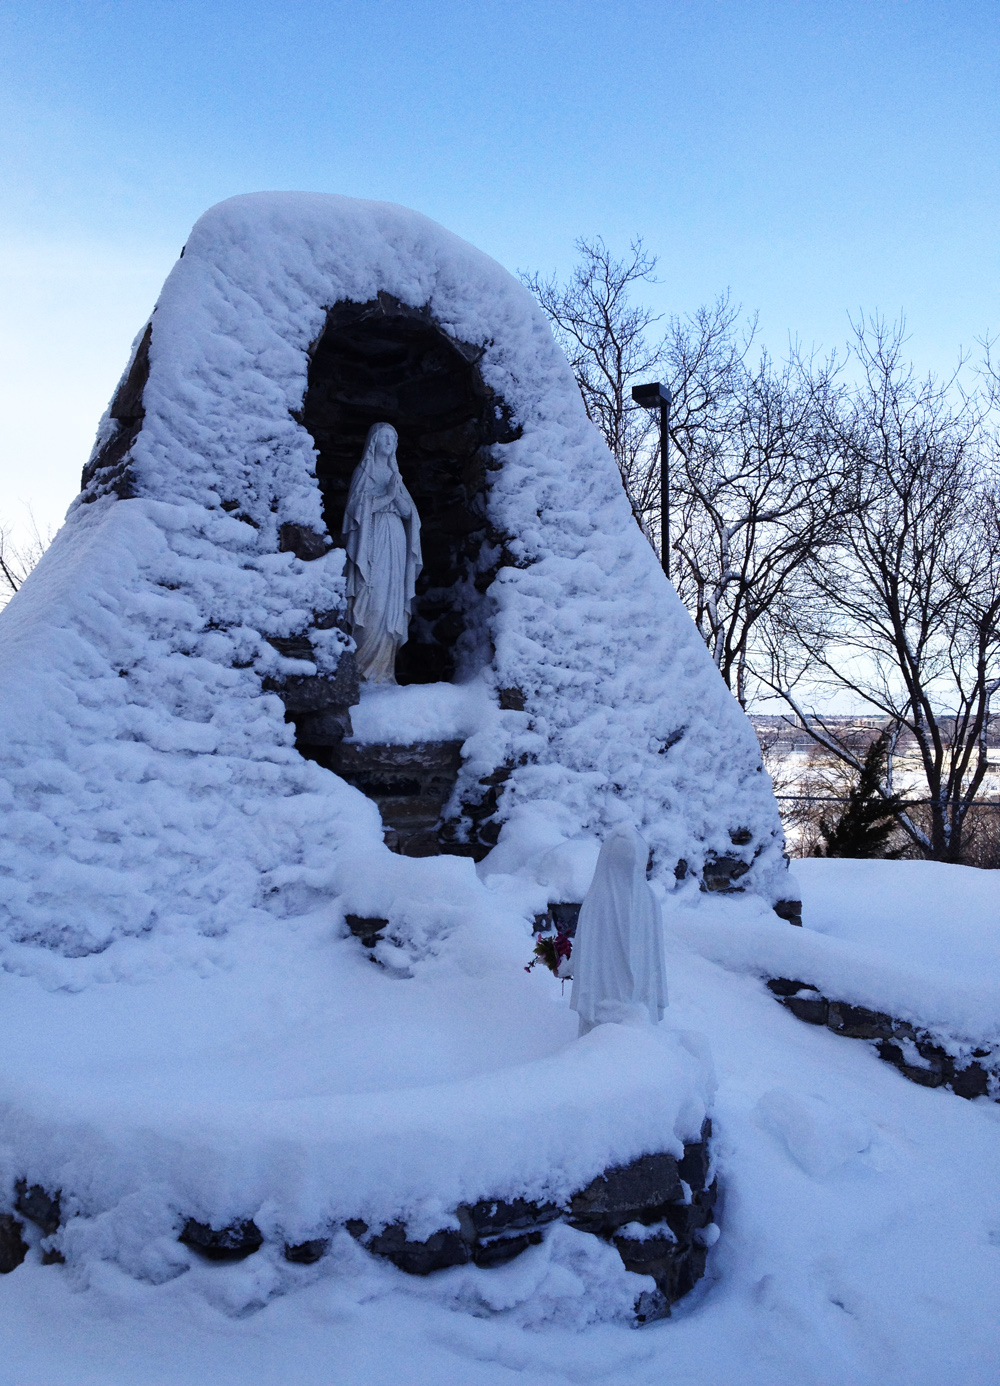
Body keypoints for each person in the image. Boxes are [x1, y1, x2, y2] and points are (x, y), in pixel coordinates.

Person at [342, 422, 422, 684]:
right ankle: (363, 671)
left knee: (391, 604)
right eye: (384, 437)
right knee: (372, 598)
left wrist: (395, 493)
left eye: (393, 438)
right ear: (373, 441)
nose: (390, 442)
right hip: (372, 541)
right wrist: (387, 495)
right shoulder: (364, 472)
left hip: (396, 541)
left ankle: (385, 674)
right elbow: (356, 513)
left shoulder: (393, 473)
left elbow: (410, 514)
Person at [569, 825, 667, 1036]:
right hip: (611, 1000)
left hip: (613, 1001)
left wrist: (569, 964)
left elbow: (654, 954)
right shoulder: (645, 900)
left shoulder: (600, 899)